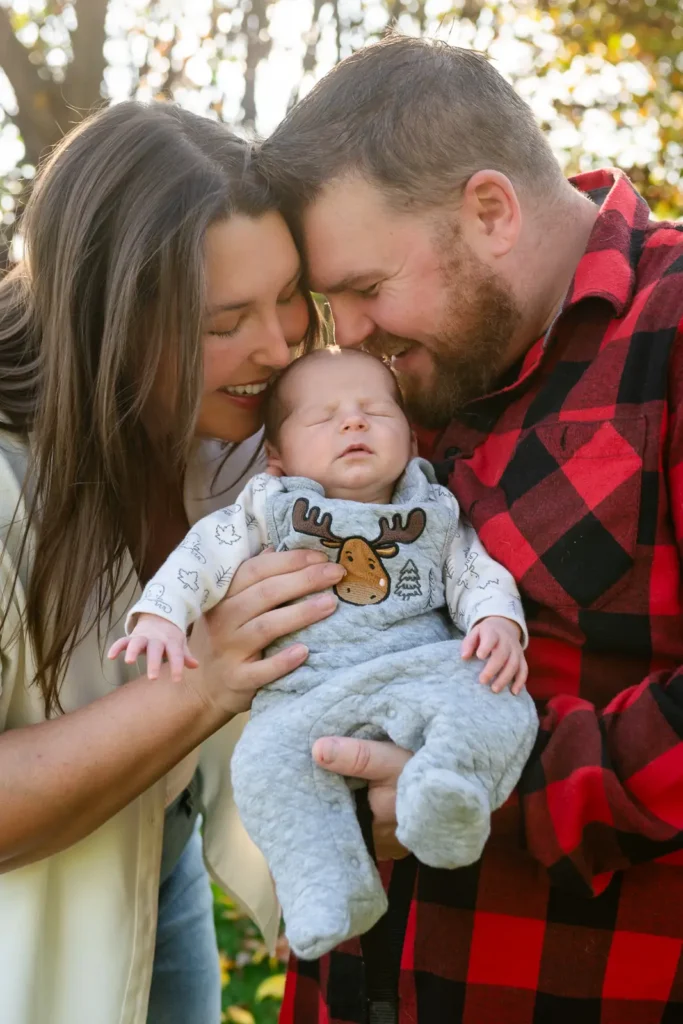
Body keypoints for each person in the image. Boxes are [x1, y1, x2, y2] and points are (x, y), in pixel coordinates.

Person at [259, 34, 683, 1024]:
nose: (348, 333)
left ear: (488, 210)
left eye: (364, 289)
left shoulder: (664, 335)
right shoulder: (401, 381)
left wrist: (492, 779)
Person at [0, 101, 345, 1024]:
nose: (276, 347)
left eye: (286, 299)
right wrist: (199, 686)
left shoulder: (234, 449)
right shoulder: (6, 479)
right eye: (223, 320)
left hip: (161, 870)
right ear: (103, 317)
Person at [110, 346, 536, 960]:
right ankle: (327, 888)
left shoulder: (431, 508)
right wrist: (161, 616)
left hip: (418, 669)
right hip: (304, 693)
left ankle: (446, 790)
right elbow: (203, 554)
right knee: (262, 768)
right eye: (323, 417)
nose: (353, 423)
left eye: (374, 412)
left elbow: (473, 568)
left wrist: (497, 619)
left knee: (497, 699)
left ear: (411, 440)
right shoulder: (269, 508)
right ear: (278, 457)